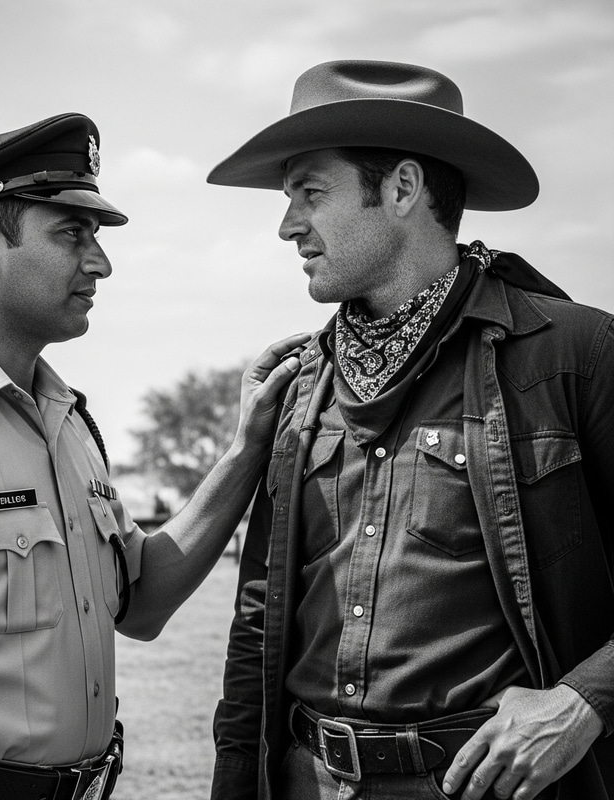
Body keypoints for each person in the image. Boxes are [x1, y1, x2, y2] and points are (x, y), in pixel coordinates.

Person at [0, 112, 307, 800]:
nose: (100, 261)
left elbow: (143, 603)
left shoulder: (67, 423)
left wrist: (247, 446)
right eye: (73, 234)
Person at [206, 60, 614, 800]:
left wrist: (585, 699)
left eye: (310, 193)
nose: (286, 224)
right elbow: (259, 617)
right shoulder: (299, 386)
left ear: (401, 189)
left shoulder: (576, 355)